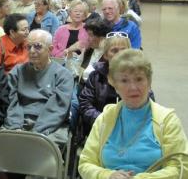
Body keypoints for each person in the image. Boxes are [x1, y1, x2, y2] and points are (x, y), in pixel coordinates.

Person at [79, 49, 188, 179]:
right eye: (124, 81)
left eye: (139, 79)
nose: (133, 87)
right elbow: (85, 163)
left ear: (149, 82)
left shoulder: (167, 120)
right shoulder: (105, 119)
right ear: (114, 85)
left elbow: (181, 166)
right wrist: (108, 175)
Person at [4, 29, 74, 146]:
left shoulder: (63, 75)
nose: (32, 51)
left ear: (50, 49)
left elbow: (57, 108)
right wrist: (15, 127)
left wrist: (36, 133)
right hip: (19, 122)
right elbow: (10, 101)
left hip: (50, 127)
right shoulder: (17, 71)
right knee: (0, 146)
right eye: (28, 46)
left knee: (40, 151)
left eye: (37, 46)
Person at [78, 33, 131, 135]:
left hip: (130, 129)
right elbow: (85, 105)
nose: (119, 54)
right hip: (100, 128)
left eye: (123, 50)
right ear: (106, 55)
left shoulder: (138, 76)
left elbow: (147, 104)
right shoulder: (95, 76)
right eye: (114, 51)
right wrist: (105, 121)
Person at [79, 19, 112, 83]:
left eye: (90, 35)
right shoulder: (88, 50)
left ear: (102, 37)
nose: (87, 38)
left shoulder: (109, 56)